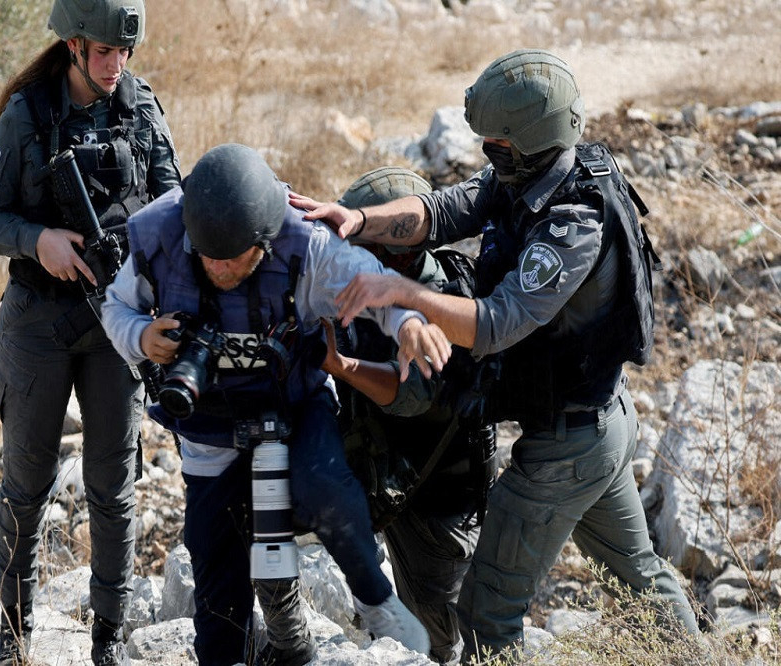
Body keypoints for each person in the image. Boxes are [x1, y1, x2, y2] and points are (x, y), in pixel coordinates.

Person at [292, 49, 700, 662]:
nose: (489, 154)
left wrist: (402, 293)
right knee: (637, 574)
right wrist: (358, 219)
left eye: (498, 145)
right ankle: (697, 653)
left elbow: (495, 324)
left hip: (569, 445)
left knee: (487, 612)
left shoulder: (573, 223)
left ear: (533, 140)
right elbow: (441, 211)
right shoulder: (530, 174)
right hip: (599, 423)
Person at [101, 143, 446, 665]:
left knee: (326, 487)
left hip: (296, 401)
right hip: (208, 420)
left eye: (233, 258)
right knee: (213, 558)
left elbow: (376, 292)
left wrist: (409, 323)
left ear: (264, 242)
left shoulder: (306, 243)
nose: (219, 267)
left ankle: (376, 601)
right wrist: (141, 336)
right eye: (208, 256)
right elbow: (115, 307)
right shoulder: (163, 234)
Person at [0, 0, 181, 663]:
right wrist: (39, 241)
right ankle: (12, 636)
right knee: (26, 485)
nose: (117, 65)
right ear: (73, 46)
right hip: (39, 319)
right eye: (104, 52)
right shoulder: (26, 113)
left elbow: (175, 206)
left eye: (126, 52)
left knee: (114, 490)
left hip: (117, 324)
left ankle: (108, 639)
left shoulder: (141, 109)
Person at [322, 166, 495, 665]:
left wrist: (340, 365)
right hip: (396, 480)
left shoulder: (441, 300)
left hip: (438, 504)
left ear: (396, 253)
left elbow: (410, 395)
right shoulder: (379, 285)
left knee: (438, 639)